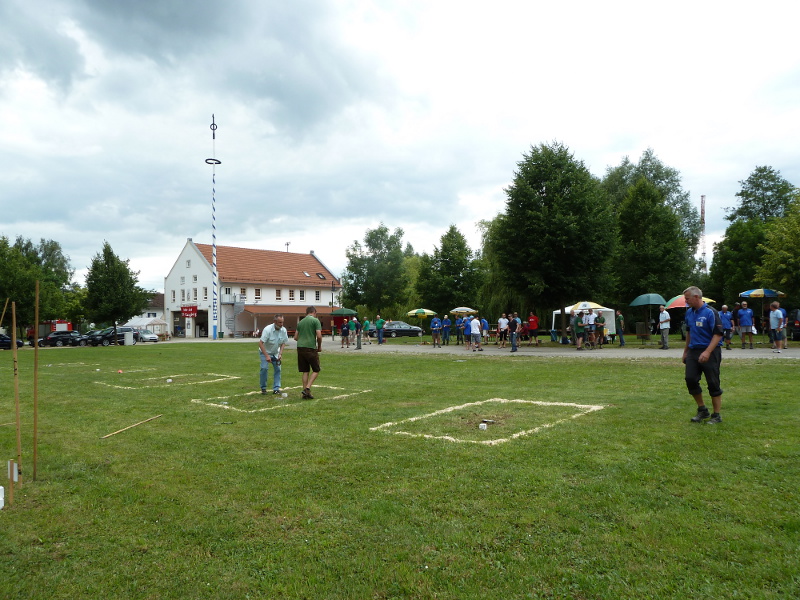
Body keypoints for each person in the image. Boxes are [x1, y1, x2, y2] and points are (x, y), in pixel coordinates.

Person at [683, 286, 724, 424]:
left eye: (687, 298)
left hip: (710, 351)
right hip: (693, 351)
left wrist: (707, 351)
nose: (686, 301)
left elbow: (718, 334)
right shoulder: (689, 313)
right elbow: (689, 332)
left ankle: (716, 415)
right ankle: (702, 410)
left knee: (713, 382)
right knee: (690, 379)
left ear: (696, 297)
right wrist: (685, 351)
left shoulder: (710, 312)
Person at [294, 306, 322, 399]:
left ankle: (305, 394)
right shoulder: (315, 321)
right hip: (310, 348)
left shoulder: (300, 322)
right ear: (314, 312)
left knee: (305, 371)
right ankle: (307, 388)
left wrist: (303, 338)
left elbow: (295, 337)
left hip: (300, 348)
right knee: (316, 369)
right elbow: (319, 336)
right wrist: (319, 346)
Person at [258, 313, 288, 395]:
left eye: (282, 322)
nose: (281, 324)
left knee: (278, 369)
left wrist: (280, 354)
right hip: (264, 352)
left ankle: (276, 388)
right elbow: (260, 343)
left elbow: (283, 342)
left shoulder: (283, 330)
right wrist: (266, 356)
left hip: (275, 353)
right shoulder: (267, 330)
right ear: (274, 321)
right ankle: (263, 388)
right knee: (264, 368)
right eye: (280, 322)